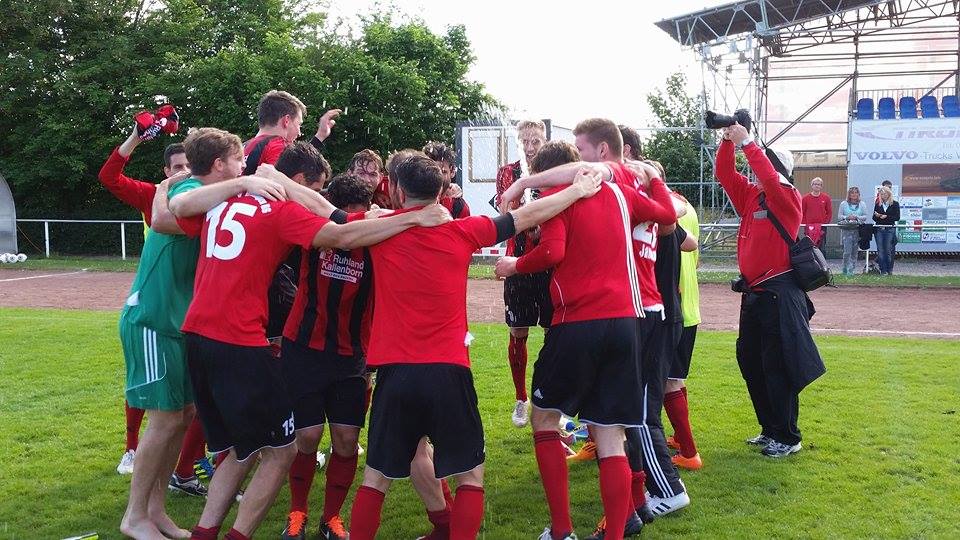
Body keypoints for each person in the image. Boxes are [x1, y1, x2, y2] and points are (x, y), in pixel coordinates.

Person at [168, 129, 453, 540]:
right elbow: (339, 231)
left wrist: (234, 182)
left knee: (251, 449)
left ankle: (211, 532)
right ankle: (259, 526)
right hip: (253, 343)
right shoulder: (283, 211)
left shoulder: (223, 201)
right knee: (284, 448)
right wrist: (411, 216)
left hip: (204, 336)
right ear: (299, 185)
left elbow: (174, 205)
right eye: (316, 188)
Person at [347, 154, 603, 540]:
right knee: (470, 475)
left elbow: (328, 217)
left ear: (397, 190)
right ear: (439, 194)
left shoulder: (380, 229)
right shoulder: (463, 231)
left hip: (395, 372)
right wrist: (578, 189)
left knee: (376, 477)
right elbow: (526, 216)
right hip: (449, 371)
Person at [496, 119, 678, 540]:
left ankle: (561, 530)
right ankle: (615, 532)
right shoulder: (621, 190)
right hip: (627, 323)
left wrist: (515, 263)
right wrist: (654, 180)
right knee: (610, 433)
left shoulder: (560, 196)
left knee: (544, 419)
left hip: (576, 321)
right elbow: (668, 216)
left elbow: (554, 249)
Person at [117, 126, 285, 539]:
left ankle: (155, 510)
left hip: (180, 322)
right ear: (219, 164)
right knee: (164, 419)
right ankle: (135, 515)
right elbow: (160, 218)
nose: (245, 165)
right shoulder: (190, 186)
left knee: (182, 416)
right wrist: (243, 181)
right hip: (153, 317)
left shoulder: (217, 196)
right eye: (239, 160)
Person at [98, 126, 210, 492]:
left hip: (184, 306)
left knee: (182, 409)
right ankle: (132, 448)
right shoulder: (156, 195)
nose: (182, 173)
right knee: (155, 400)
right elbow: (109, 177)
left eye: (188, 166)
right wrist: (136, 137)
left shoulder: (201, 194)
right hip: (155, 300)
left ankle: (180, 473)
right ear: (166, 171)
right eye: (176, 167)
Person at [715, 122, 825, 458]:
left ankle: (788, 437)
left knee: (778, 367)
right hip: (756, 295)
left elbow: (765, 168)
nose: (756, 163)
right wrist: (726, 139)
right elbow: (724, 173)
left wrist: (746, 140)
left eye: (763, 160)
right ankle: (770, 429)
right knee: (753, 364)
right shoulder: (753, 195)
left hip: (779, 294)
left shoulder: (787, 196)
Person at [278, 172, 375, 540]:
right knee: (307, 436)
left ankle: (331, 518)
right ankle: (297, 513)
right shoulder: (313, 232)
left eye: (358, 213)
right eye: (344, 213)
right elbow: (295, 194)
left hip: (351, 355)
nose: (351, 223)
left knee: (347, 440)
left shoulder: (377, 239)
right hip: (304, 349)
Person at [494, 119, 550, 428]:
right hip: (517, 261)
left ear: (544, 141)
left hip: (549, 262)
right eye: (525, 142)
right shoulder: (509, 172)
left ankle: (552, 395)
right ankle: (520, 398)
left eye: (535, 142)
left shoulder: (554, 171)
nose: (529, 148)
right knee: (518, 331)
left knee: (557, 332)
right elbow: (508, 214)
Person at [664, 195, 703, 471]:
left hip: (672, 307)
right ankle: (680, 439)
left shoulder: (663, 212)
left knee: (668, 382)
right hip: (689, 306)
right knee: (676, 377)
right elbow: (694, 252)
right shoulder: (687, 207)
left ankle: (689, 452)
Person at [423, 140, 471, 218]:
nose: (436, 177)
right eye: (431, 171)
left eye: (442, 172)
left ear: (452, 171)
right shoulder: (410, 197)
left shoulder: (458, 206)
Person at [838, 186, 868, 275]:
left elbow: (865, 216)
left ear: (859, 194)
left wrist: (857, 217)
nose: (854, 194)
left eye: (856, 192)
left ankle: (852, 270)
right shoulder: (843, 204)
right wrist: (847, 217)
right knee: (847, 251)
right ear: (849, 194)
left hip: (857, 230)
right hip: (847, 230)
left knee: (855, 251)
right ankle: (845, 268)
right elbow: (839, 216)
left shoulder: (862, 204)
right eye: (852, 193)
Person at [873, 185, 900, 275]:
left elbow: (897, 217)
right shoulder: (878, 204)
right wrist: (878, 216)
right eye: (881, 194)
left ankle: (889, 270)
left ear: (889, 194)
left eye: (884, 194)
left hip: (889, 229)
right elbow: (874, 218)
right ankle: (883, 270)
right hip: (879, 229)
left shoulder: (895, 204)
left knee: (888, 250)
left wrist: (886, 216)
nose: (883, 195)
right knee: (880, 251)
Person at [801, 177, 832, 249]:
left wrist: (825, 223)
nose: (817, 186)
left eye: (819, 184)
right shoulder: (805, 198)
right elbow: (802, 212)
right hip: (809, 227)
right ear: (812, 185)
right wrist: (805, 223)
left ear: (821, 186)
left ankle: (822, 260)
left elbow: (829, 212)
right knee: (809, 245)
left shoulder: (826, 198)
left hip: (822, 227)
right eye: (815, 184)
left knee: (822, 246)